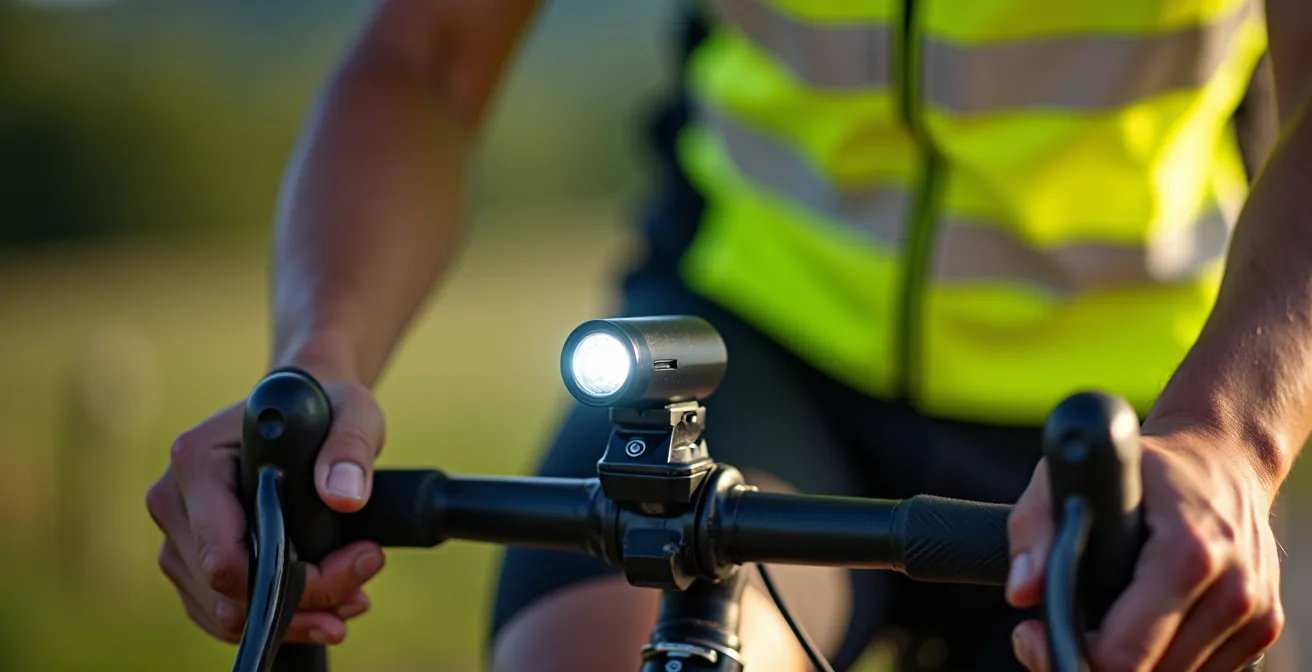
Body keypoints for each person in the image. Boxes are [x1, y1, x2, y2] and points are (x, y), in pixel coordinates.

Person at [144, 0, 1312, 669]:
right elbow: (426, 54)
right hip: (754, 343)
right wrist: (315, 366)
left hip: (1128, 402)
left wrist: (1228, 433)